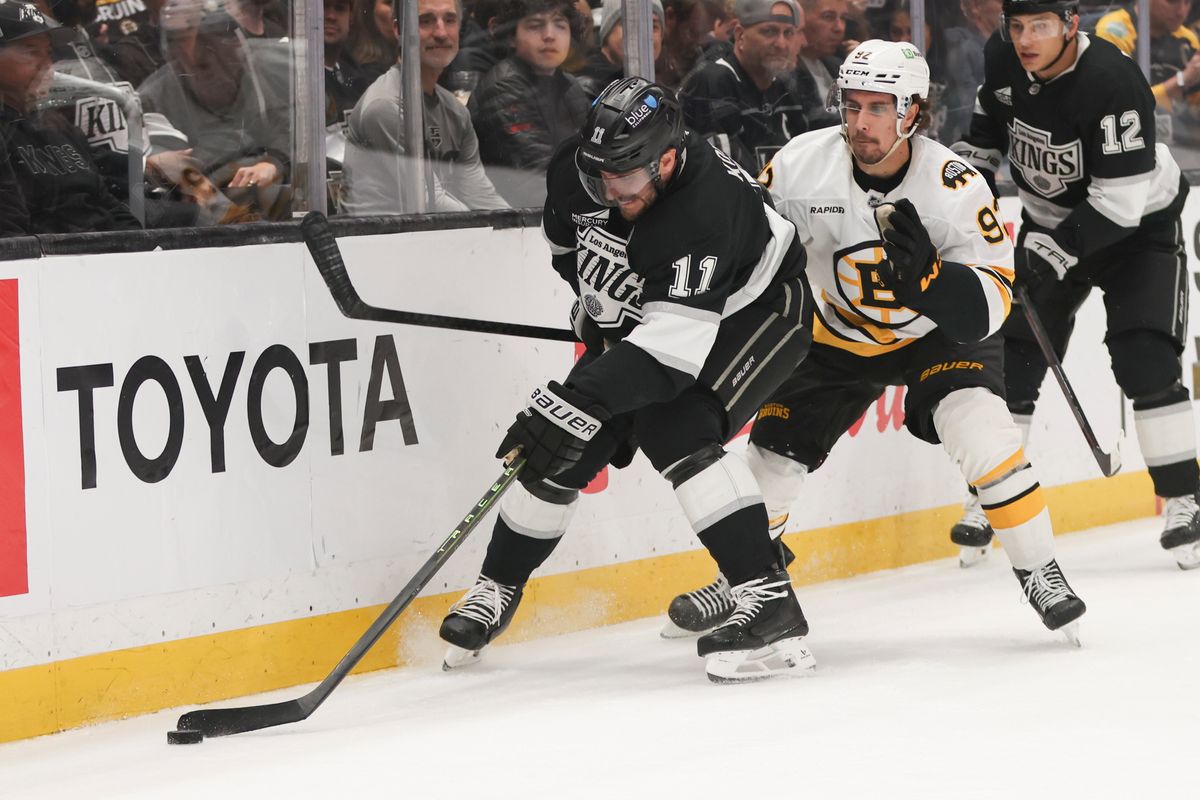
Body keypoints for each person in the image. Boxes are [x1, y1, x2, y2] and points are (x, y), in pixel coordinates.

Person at [663, 40, 1090, 646]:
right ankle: (746, 582)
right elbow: (747, 247)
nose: (860, 122)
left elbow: (992, 305)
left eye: (878, 108)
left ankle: (1039, 568)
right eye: (852, 105)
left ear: (912, 111)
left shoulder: (955, 187)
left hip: (935, 335)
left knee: (982, 431)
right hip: (832, 334)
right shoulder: (799, 165)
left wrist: (933, 282)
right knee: (769, 463)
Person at [438, 76, 816, 682]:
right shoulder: (580, 170)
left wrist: (575, 397)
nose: (609, 190)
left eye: (625, 177)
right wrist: (599, 314)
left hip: (758, 310)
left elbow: (667, 356)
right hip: (662, 313)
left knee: (675, 424)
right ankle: (496, 588)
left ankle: (769, 599)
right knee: (563, 442)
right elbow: (569, 252)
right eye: (599, 176)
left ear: (666, 160)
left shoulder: (704, 207)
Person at [949, 0, 1198, 570]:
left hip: (1138, 229)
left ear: (1070, 25)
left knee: (1144, 355)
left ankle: (1185, 498)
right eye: (1017, 26)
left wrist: (1047, 255)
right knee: (1012, 359)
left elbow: (1120, 204)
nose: (1025, 39)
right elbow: (989, 124)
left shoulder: (1111, 80)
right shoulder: (1003, 56)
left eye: (1040, 26)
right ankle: (994, 495)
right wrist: (968, 189)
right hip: (1051, 221)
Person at [341, 0, 509, 212]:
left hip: (435, 231)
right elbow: (430, 202)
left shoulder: (456, 111)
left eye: (450, 20)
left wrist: (526, 227)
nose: (441, 33)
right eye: (426, 21)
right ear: (398, 30)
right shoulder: (384, 106)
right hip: (383, 233)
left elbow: (480, 195)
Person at [0, 0, 140, 233]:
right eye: (31, 52)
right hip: (60, 255)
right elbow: (13, 240)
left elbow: (108, 203)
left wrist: (138, 245)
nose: (47, 66)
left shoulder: (55, 125)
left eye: (48, 53)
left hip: (109, 248)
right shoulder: (6, 135)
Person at [469, 0, 590, 207]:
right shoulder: (503, 87)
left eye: (560, 25)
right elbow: (535, 182)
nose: (549, 35)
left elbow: (595, 158)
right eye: (535, 25)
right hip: (519, 218)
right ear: (511, 37)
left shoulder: (569, 86)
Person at [680, 0, 808, 174]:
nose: (781, 44)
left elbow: (805, 159)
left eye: (788, 33)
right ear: (740, 35)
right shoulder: (713, 81)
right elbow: (728, 173)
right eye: (769, 31)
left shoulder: (785, 86)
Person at [1095, 0, 1200, 163]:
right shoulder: (1114, 31)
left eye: (1187, 3)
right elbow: (1121, 108)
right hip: (1128, 148)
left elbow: (1195, 104)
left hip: (1179, 148)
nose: (1181, 12)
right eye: (1172, 1)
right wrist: (1181, 81)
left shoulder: (1187, 39)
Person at [574, 0, 665, 100]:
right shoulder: (587, 87)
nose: (643, 34)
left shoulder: (663, 89)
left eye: (653, 26)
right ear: (607, 31)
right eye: (629, 24)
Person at [943, 0, 1003, 145]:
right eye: (1000, 1)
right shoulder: (961, 45)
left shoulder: (1011, 41)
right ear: (976, 7)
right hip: (969, 140)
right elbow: (966, 102)